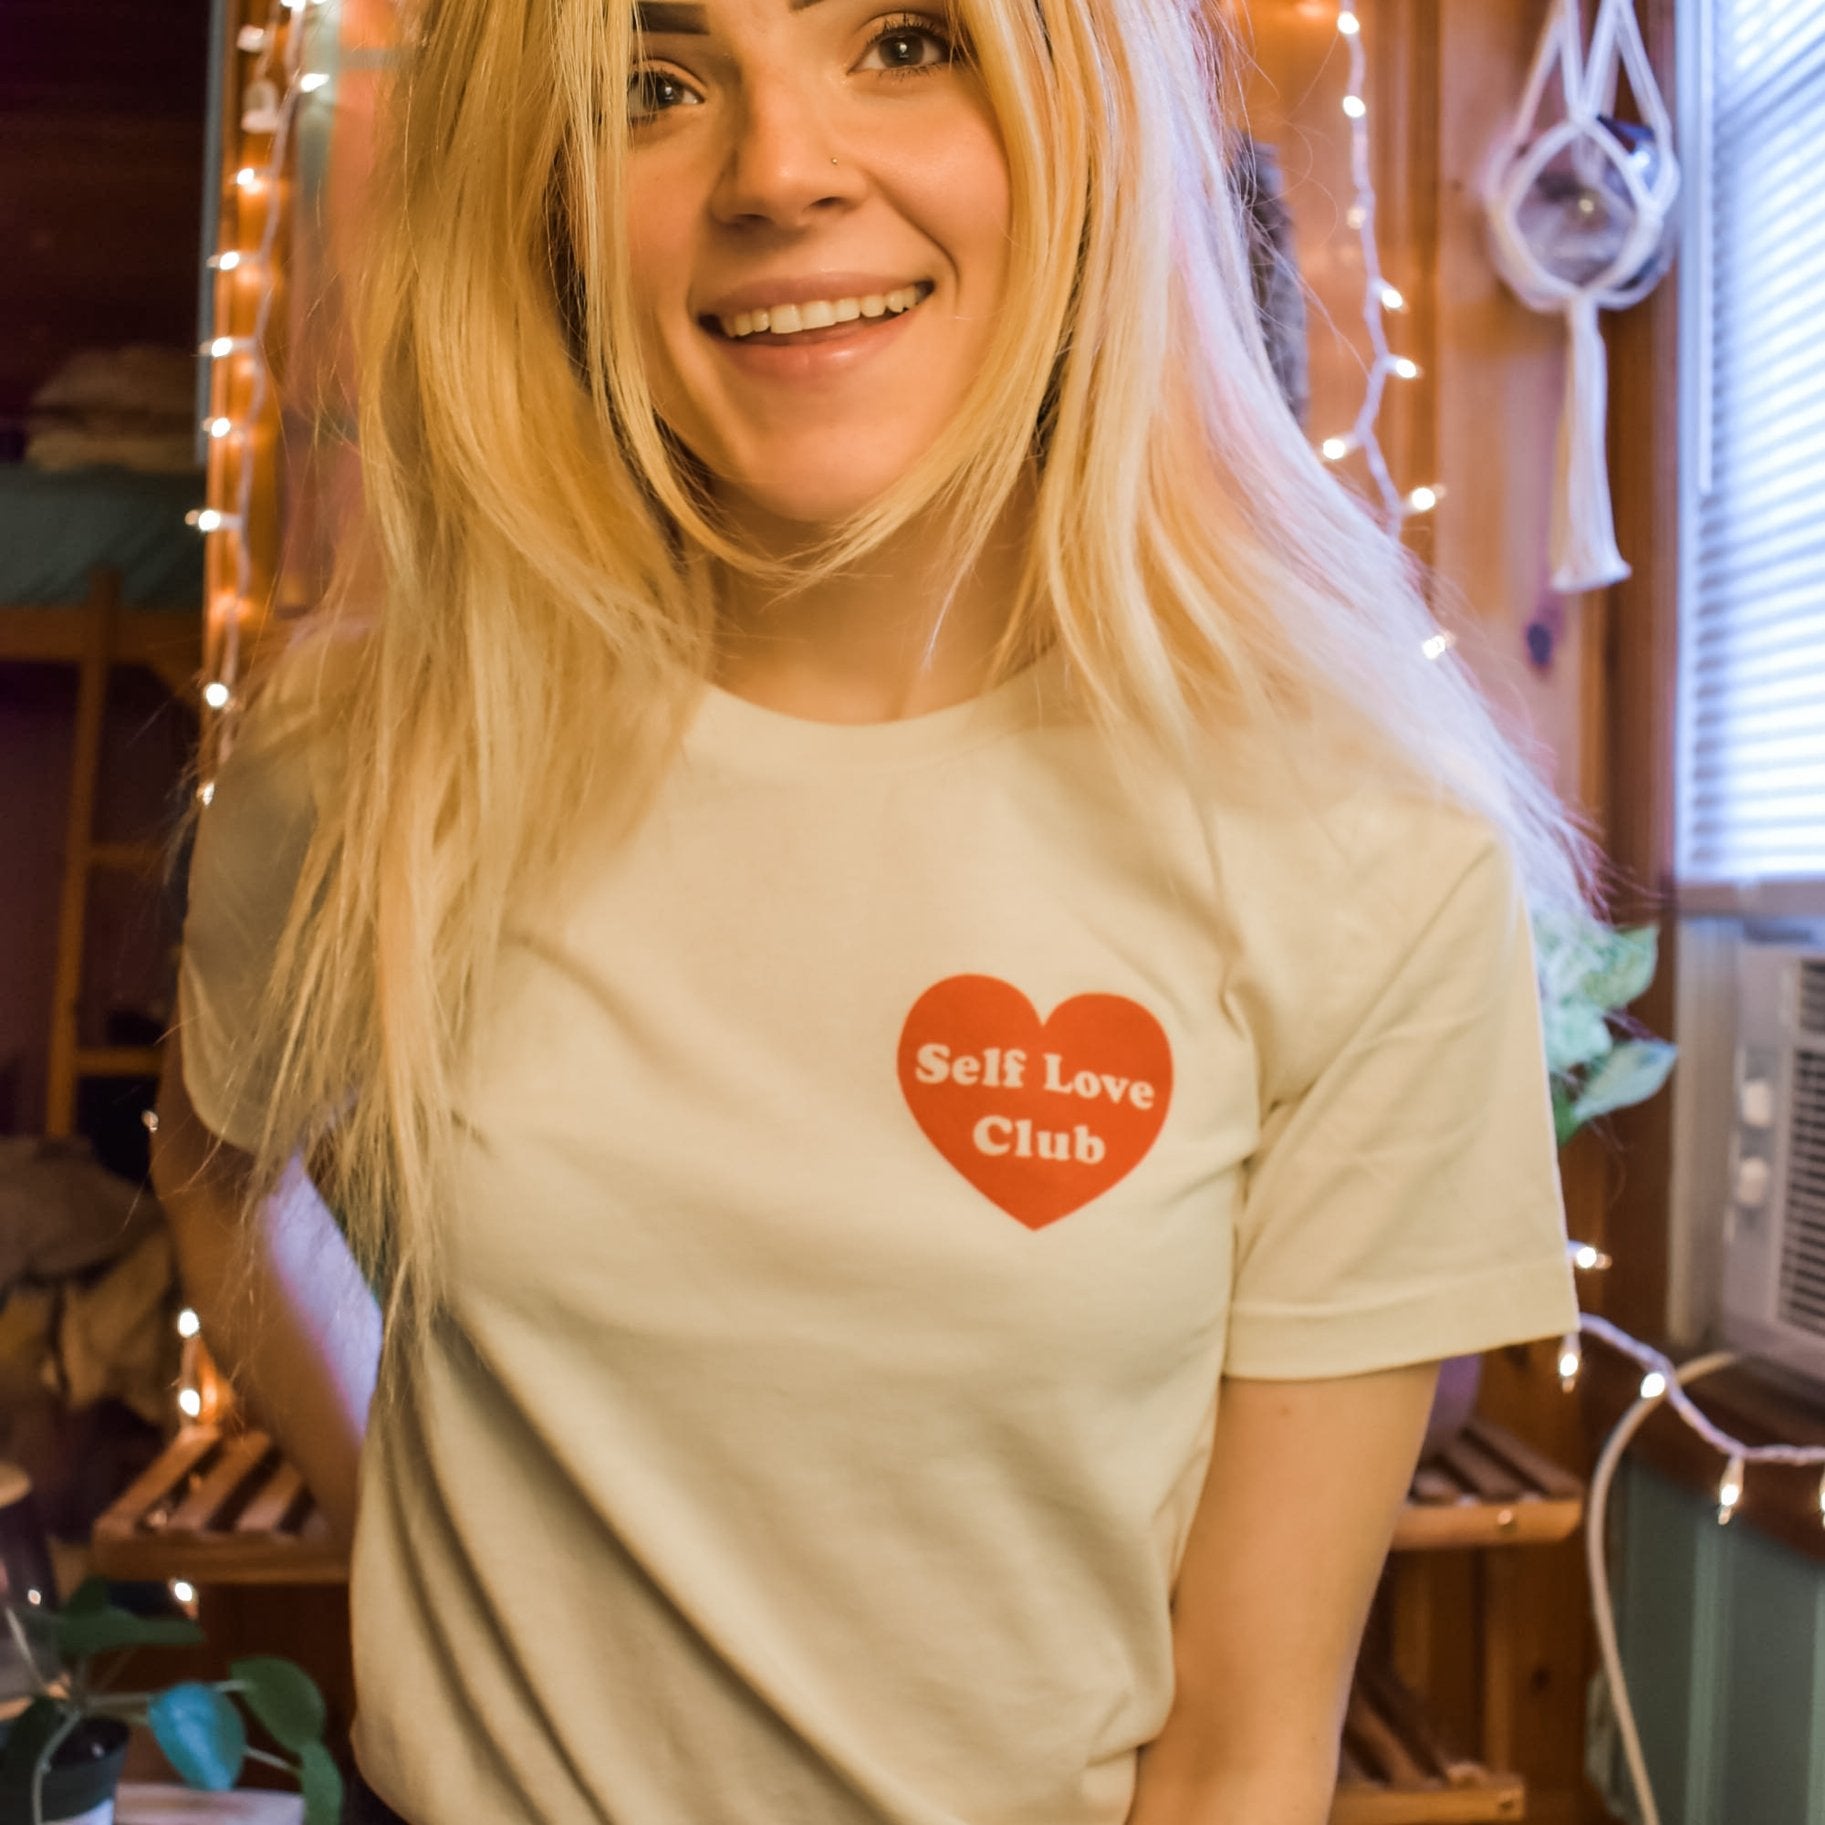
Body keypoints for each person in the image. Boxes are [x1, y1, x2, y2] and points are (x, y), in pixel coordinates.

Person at [151, 0, 1596, 1820]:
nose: (778, 170)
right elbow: (217, 1180)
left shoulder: (1368, 849)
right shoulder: (367, 761)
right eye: (653, 87)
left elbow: (1241, 1743)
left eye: (907, 42)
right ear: (549, 201)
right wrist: (416, 1528)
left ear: (1084, 134)